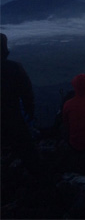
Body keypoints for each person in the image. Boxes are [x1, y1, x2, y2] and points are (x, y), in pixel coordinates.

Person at [1, 33, 40, 172]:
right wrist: (30, 111)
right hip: (13, 118)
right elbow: (27, 94)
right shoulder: (15, 68)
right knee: (29, 155)